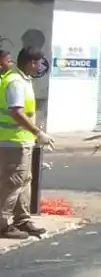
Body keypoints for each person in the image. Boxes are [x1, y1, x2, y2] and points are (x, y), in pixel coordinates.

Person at [0, 46, 53, 239]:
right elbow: (16, 112)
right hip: (12, 141)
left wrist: (35, 135)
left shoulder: (23, 79)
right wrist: (38, 132)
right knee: (13, 183)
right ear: (31, 62)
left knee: (25, 181)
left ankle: (22, 219)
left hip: (23, 141)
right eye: (39, 62)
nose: (40, 66)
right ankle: (2, 224)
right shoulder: (15, 82)